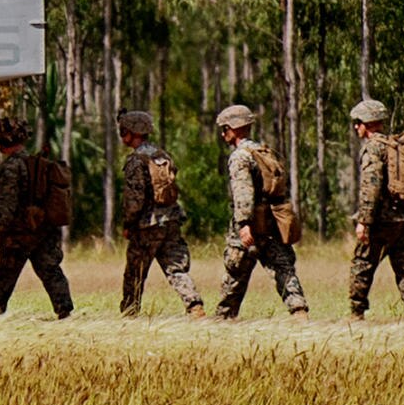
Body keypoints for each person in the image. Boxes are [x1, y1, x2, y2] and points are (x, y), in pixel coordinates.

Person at [212, 103, 308, 318]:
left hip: (253, 224)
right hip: (272, 223)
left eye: (225, 128)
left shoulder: (240, 157)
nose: (223, 133)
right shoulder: (264, 152)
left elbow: (243, 193)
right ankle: (299, 310)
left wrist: (244, 225)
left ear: (234, 129)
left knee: (235, 273)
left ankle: (223, 319)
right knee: (283, 269)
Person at [344, 94, 404, 323]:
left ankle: (356, 313)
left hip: (381, 221)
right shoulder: (397, 146)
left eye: (358, 123)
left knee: (361, 265)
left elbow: (370, 187)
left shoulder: (373, 149)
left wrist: (364, 221)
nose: (355, 127)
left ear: (366, 124)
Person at [0, 112, 75, 317]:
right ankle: (64, 310)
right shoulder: (37, 164)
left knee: (6, 272)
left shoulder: (11, 167)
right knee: (50, 270)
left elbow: (6, 202)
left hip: (19, 233)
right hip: (43, 229)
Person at [111, 111, 194, 314]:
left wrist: (128, 225)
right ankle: (194, 304)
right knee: (176, 268)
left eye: (124, 131)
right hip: (171, 220)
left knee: (135, 272)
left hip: (147, 225)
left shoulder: (136, 161)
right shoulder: (163, 156)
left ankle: (130, 312)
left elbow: (134, 200)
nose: (122, 136)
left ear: (131, 132)